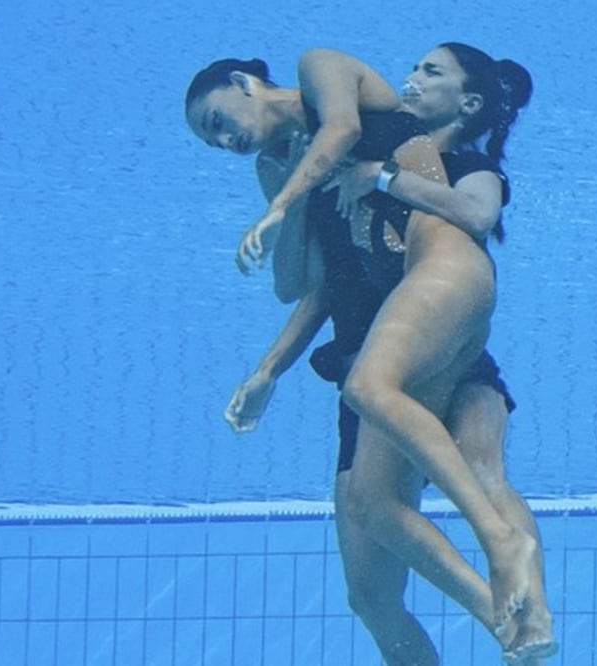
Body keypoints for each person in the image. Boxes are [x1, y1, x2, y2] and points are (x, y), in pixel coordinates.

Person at [184, 46, 554, 664]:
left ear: (242, 82)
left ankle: (506, 558)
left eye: (216, 121)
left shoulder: (323, 72)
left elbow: (344, 131)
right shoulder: (284, 166)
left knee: (422, 433)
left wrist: (283, 204)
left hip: (435, 289)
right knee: (369, 584)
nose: (221, 141)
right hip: (384, 324)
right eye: (209, 141)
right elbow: (301, 283)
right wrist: (267, 370)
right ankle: (507, 615)